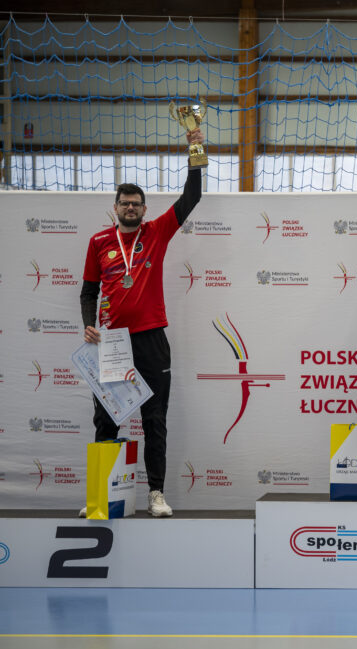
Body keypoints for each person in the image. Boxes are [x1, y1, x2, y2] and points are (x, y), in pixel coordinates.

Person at [79, 127, 204, 518]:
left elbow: (192, 196)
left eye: (136, 204)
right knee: (106, 418)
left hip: (151, 339)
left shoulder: (157, 232)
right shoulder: (99, 242)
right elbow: (88, 291)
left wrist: (195, 148)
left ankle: (156, 494)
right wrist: (88, 323)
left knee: (154, 418)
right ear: (115, 208)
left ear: (145, 209)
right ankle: (101, 495)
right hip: (112, 342)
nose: (130, 208)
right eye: (124, 203)